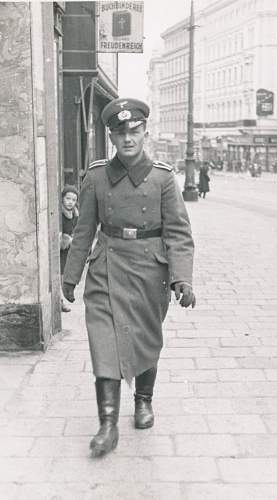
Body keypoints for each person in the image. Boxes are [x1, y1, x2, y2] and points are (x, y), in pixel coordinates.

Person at [62, 98, 195, 458]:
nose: (128, 139)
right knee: (103, 341)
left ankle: (143, 400)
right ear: (111, 136)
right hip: (106, 267)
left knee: (144, 336)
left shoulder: (163, 179)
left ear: (145, 133)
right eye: (120, 133)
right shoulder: (97, 176)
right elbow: (84, 229)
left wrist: (182, 278)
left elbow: (179, 234)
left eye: (134, 132)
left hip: (150, 271)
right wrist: (70, 277)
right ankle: (107, 425)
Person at [60, 185, 79, 312]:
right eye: (68, 198)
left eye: (73, 200)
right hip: (61, 248)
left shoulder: (76, 214)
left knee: (67, 271)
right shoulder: (59, 214)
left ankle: (67, 291)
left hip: (69, 249)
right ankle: (60, 300)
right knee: (59, 274)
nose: (70, 202)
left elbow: (77, 230)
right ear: (62, 198)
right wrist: (65, 239)